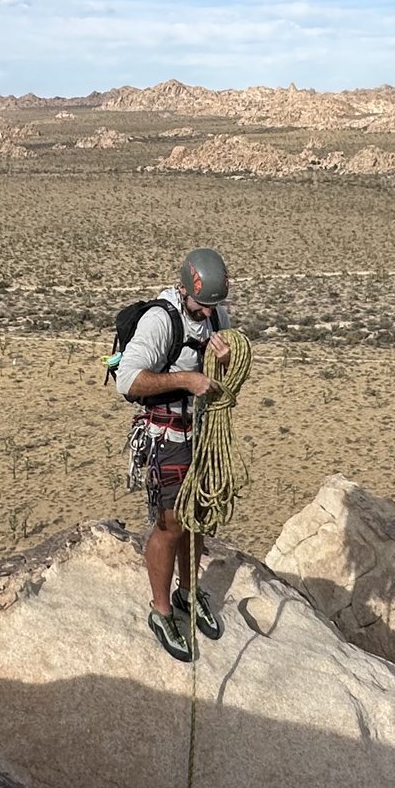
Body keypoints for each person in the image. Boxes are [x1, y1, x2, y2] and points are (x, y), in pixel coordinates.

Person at [115, 248, 234, 662]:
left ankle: (189, 591)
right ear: (183, 289)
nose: (207, 312)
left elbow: (227, 377)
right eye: (201, 304)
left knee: (197, 518)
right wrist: (186, 378)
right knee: (170, 526)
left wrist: (225, 358)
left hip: (200, 433)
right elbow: (128, 381)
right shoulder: (160, 320)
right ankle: (161, 610)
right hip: (165, 436)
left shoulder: (217, 316)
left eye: (213, 305)